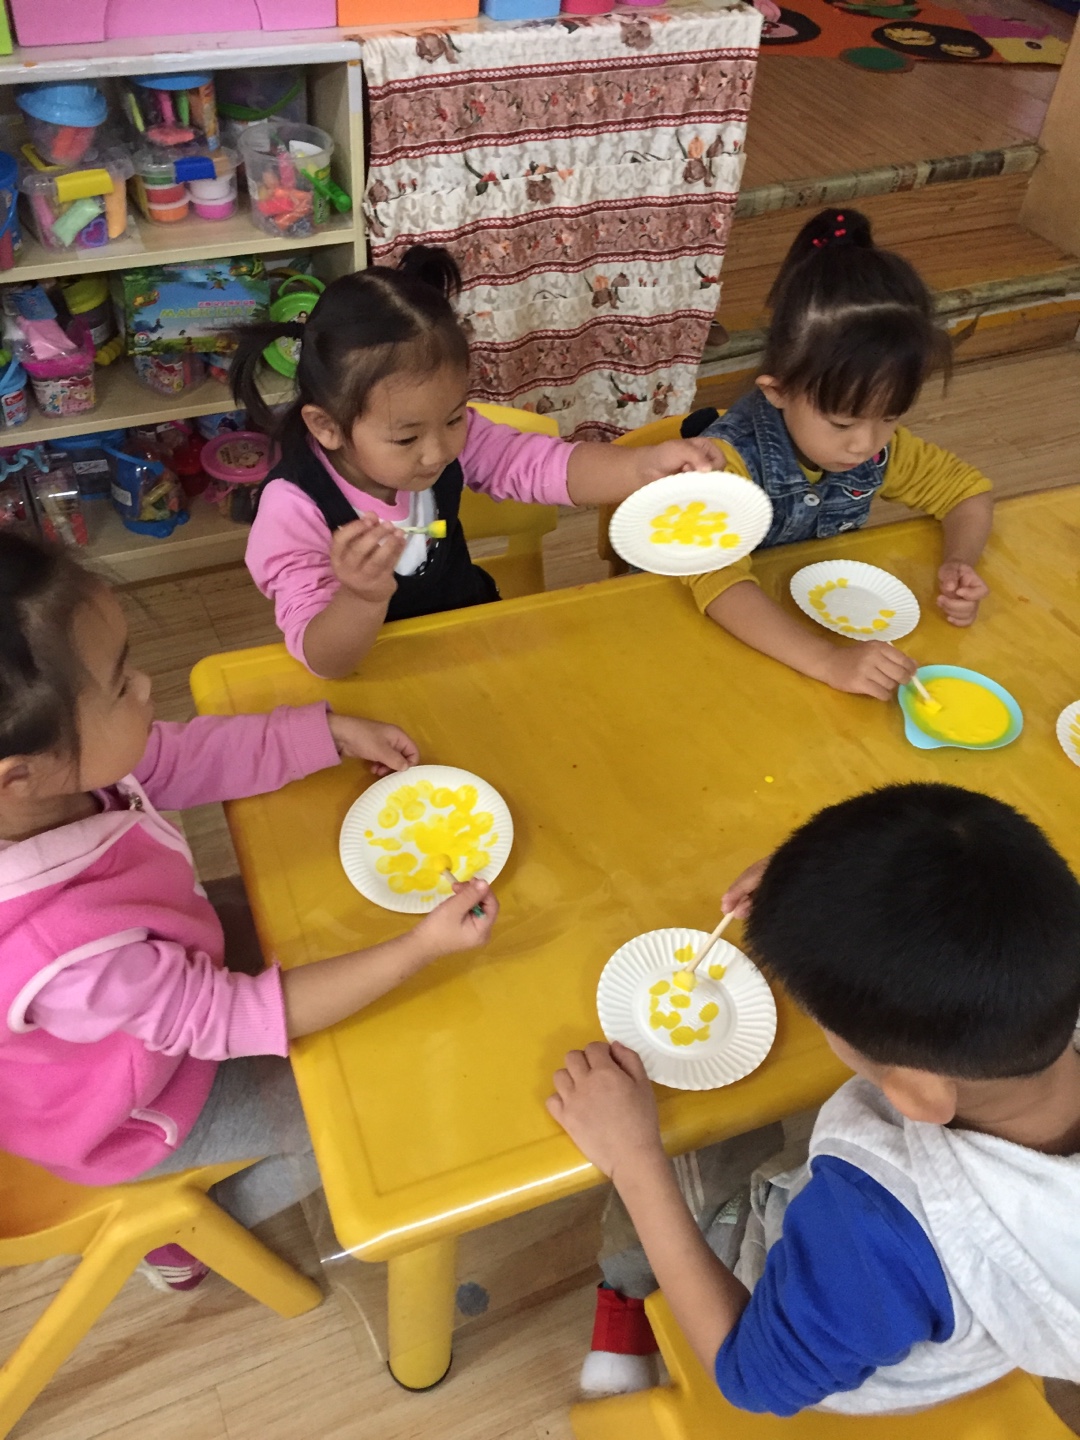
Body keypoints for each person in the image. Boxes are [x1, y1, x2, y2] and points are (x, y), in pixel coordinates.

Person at [0, 531, 498, 1290]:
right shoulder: (61, 953)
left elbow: (181, 757)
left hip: (154, 979)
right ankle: (189, 1237)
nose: (147, 686)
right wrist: (418, 949)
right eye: (120, 683)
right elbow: (236, 1018)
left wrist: (325, 733)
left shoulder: (54, 780)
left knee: (316, 928)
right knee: (351, 1113)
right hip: (129, 1111)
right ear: (20, 776)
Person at [550, 783, 1080, 1414]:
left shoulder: (873, 1236)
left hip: (830, 1338)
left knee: (676, 1140)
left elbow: (751, 1377)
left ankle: (626, 1291)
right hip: (963, 1310)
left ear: (916, 1092)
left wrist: (633, 1157)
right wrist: (825, 900)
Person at [237, 247, 722, 679]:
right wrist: (360, 597)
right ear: (327, 426)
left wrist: (643, 468)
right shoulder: (292, 509)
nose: (438, 452)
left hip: (469, 638)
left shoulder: (447, 438)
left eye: (453, 418)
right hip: (378, 676)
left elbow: (541, 465)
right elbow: (324, 659)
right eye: (406, 438)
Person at [682, 208, 994, 701]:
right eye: (843, 423)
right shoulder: (726, 464)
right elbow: (717, 583)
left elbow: (966, 492)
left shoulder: (878, 447)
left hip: (799, 638)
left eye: (889, 416)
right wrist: (827, 661)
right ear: (777, 391)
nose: (865, 444)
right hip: (701, 644)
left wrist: (960, 561)